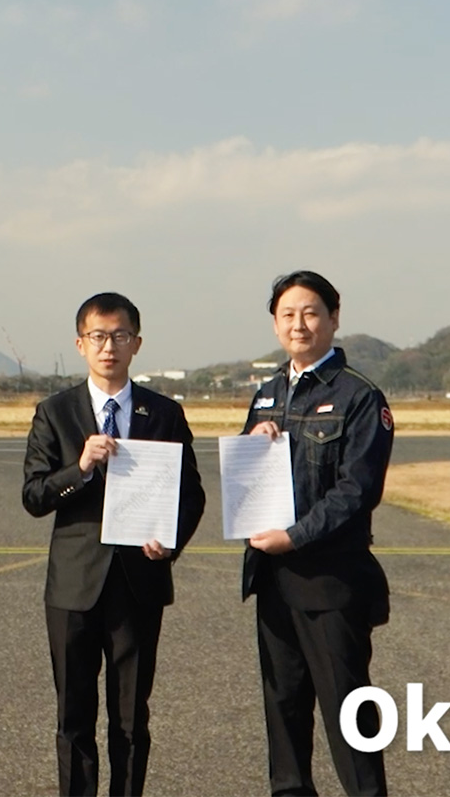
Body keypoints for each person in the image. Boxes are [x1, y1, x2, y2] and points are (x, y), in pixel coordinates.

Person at [23, 292, 206, 796]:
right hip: (73, 589)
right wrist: (79, 468)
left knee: (129, 719)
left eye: (120, 336)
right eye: (98, 337)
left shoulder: (164, 413)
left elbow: (191, 495)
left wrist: (169, 542)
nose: (109, 347)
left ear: (137, 344)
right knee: (74, 719)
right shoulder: (55, 413)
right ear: (80, 344)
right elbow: (34, 496)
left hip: (138, 584)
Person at [240, 270, 394, 797]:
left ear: (333, 318)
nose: (298, 324)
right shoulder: (266, 395)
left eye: (310, 313)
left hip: (330, 581)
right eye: (287, 314)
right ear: (275, 323)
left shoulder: (359, 397)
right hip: (273, 580)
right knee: (283, 713)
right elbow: (247, 482)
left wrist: (297, 536)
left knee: (348, 713)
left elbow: (357, 490)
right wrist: (253, 440)